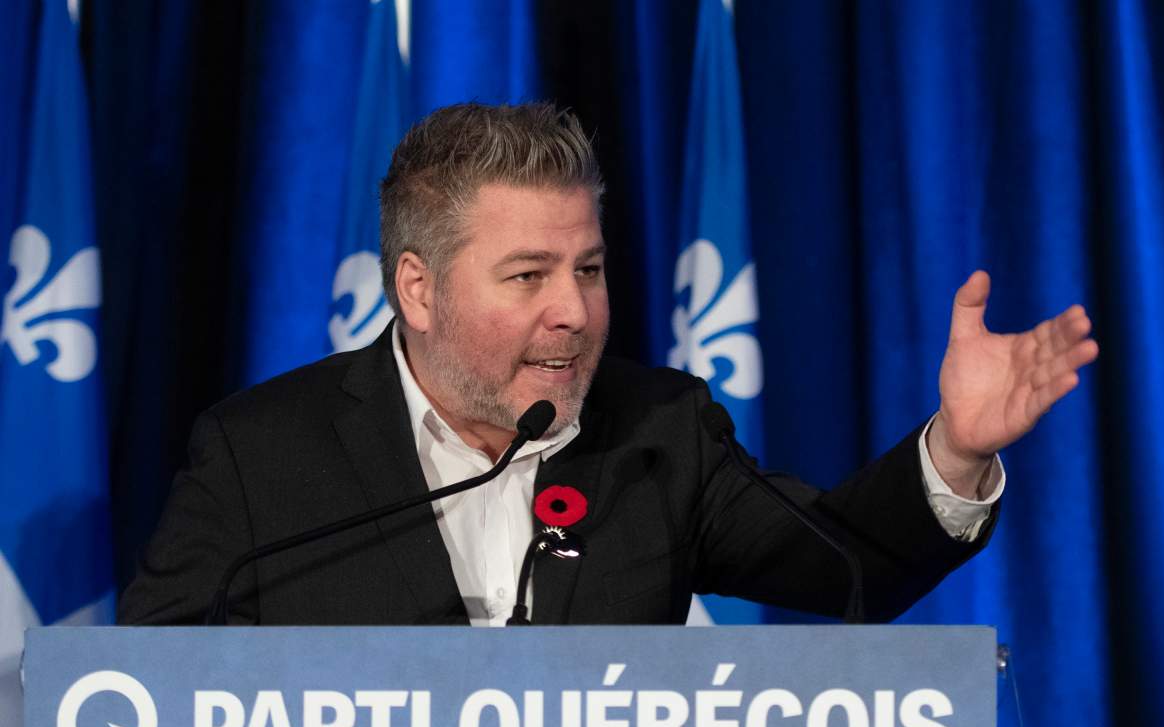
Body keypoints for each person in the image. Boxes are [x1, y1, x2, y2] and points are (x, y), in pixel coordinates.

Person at [118, 103, 1098, 627]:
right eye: (528, 274)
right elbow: (147, 714)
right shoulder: (261, 455)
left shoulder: (658, 429)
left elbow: (848, 568)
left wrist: (957, 452)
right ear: (418, 291)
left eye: (587, 268)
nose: (575, 311)